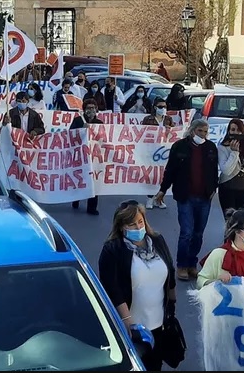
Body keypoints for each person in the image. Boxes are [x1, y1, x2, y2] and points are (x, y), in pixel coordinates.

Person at [98, 201, 176, 371]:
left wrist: (172, 305)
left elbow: (170, 270)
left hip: (158, 325)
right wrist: (128, 323)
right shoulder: (113, 250)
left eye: (140, 222)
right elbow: (112, 288)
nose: (138, 227)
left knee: (155, 365)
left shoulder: (157, 240)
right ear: (121, 227)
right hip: (132, 329)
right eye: (132, 224)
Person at [153, 119, 219, 281]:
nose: (203, 135)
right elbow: (170, 170)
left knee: (198, 233)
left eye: (205, 132)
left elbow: (214, 171)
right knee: (186, 232)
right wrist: (163, 190)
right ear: (192, 131)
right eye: (200, 131)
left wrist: (213, 188)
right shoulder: (179, 146)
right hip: (185, 196)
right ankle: (181, 265)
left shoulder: (211, 148)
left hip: (205, 197)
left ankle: (191, 264)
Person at [217, 119, 244, 218]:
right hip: (227, 189)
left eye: (238, 130)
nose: (235, 132)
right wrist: (234, 153)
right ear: (229, 131)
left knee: (240, 219)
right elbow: (226, 170)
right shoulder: (222, 148)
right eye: (233, 130)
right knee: (230, 219)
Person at [70, 99, 102, 215]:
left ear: (96, 109)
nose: (91, 110)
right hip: (80, 155)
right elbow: (70, 135)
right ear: (84, 110)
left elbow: (103, 138)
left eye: (93, 108)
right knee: (80, 179)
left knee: (94, 181)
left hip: (94, 156)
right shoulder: (78, 121)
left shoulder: (99, 123)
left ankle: (92, 207)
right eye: (88, 108)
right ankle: (76, 199)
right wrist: (82, 130)